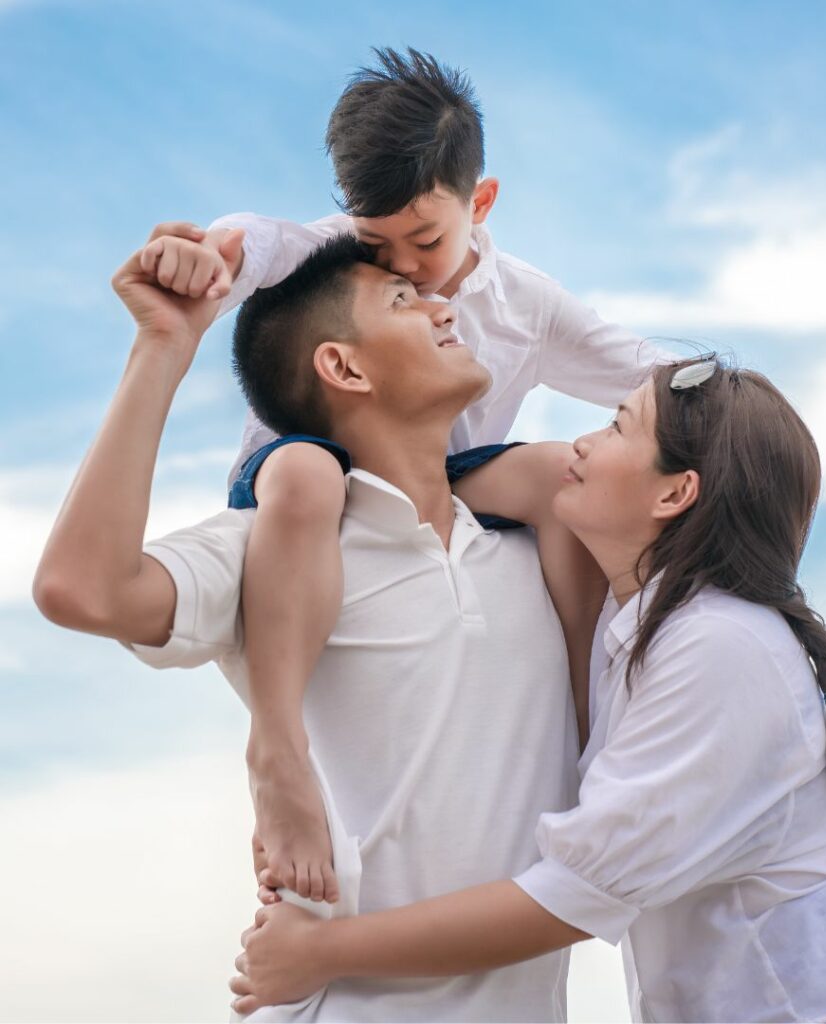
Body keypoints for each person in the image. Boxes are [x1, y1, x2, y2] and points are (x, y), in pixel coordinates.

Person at [229, 356, 826, 1024]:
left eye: (619, 427)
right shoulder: (642, 627)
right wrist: (309, 479)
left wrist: (323, 952)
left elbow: (570, 896)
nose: (583, 444)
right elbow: (424, 483)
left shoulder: (722, 644)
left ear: (674, 493)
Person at [140, 47, 661, 904]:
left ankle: (586, 728)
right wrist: (202, 256)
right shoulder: (337, 257)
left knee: (556, 476)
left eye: (426, 241)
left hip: (440, 481)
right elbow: (252, 241)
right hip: (303, 470)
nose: (406, 269)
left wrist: (722, 392)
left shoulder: (527, 304)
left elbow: (636, 369)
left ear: (479, 203)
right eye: (377, 244)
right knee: (310, 475)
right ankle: (275, 747)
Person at [34, 234, 591, 1022]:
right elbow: (80, 588)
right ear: (344, 368)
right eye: (404, 301)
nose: (442, 309)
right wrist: (162, 346)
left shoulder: (535, 546)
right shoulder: (277, 549)